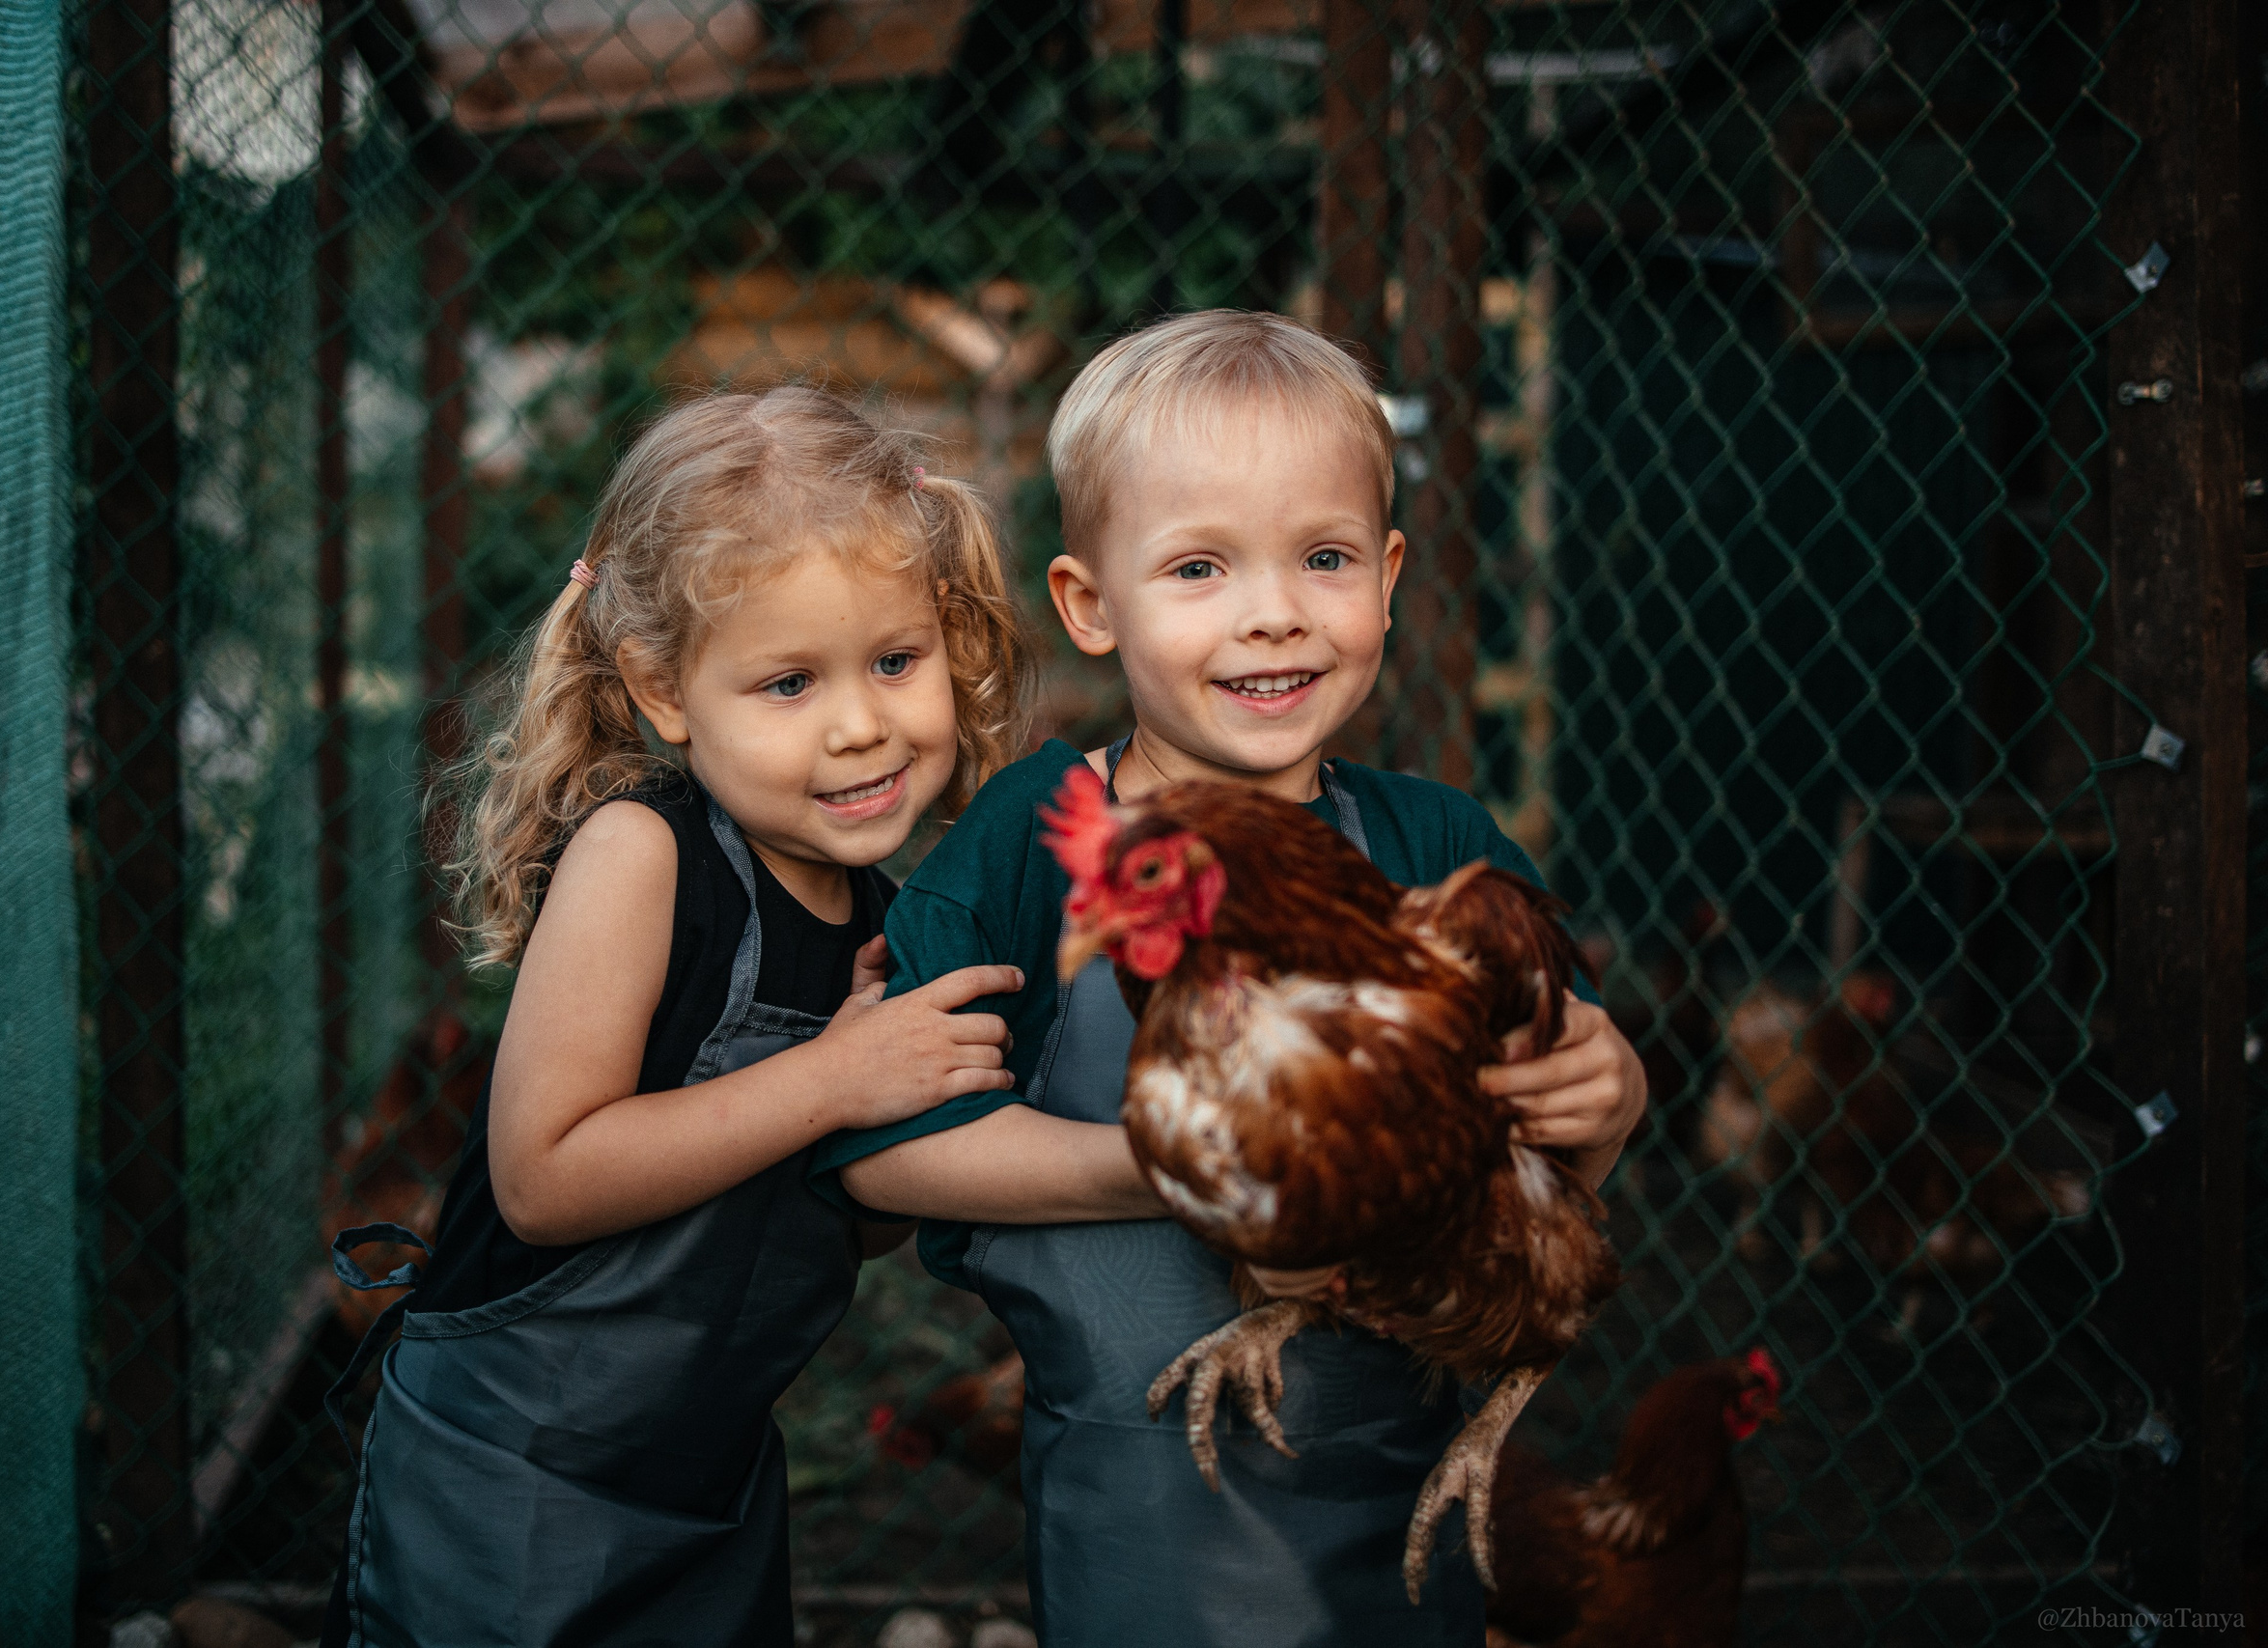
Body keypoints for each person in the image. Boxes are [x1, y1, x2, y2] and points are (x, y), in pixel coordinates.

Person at [813, 311, 1649, 1647]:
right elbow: (887, 1151)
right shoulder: (1035, 845)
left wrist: (1611, 1086)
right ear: (1092, 605)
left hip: (1400, 1515)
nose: (1274, 612)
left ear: (1387, 578)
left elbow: (1549, 1157)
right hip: (1140, 1527)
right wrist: (1197, 1160)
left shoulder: (1436, 848)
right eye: (1199, 567)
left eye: (1323, 559)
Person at [322, 387, 1034, 1648]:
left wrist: (917, 1120)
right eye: (787, 681)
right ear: (664, 689)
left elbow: (832, 1225)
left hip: (707, 1487)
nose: (862, 722)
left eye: (894, 661)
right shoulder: (641, 855)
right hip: (510, 1484)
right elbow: (542, 1178)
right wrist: (835, 1081)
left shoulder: (892, 916)